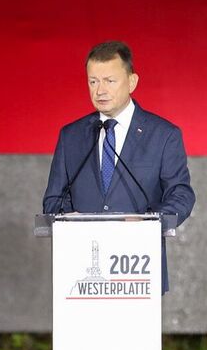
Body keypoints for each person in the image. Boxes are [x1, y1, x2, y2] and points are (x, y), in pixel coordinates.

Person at [42, 41, 195, 294]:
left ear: (132, 82)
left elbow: (181, 195)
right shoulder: (72, 136)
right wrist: (69, 219)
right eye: (93, 81)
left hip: (138, 273)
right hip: (79, 275)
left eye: (110, 81)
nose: (100, 90)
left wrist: (150, 221)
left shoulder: (163, 135)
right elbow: (53, 200)